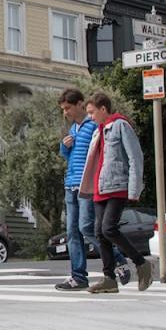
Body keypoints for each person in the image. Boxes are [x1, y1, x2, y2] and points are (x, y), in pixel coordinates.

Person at [54, 89, 131, 291]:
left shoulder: (94, 126)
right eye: (63, 109)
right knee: (72, 233)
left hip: (87, 185)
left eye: (68, 108)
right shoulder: (73, 129)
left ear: (80, 104)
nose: (66, 112)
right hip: (70, 184)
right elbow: (70, 158)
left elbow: (102, 153)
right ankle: (78, 277)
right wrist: (64, 148)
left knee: (86, 228)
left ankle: (118, 259)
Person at [80, 92, 152, 294]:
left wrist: (134, 189)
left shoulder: (121, 125)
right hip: (100, 188)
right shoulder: (98, 131)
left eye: (92, 112)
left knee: (108, 229)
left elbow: (135, 157)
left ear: (103, 109)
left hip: (117, 186)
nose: (91, 117)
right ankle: (109, 279)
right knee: (100, 233)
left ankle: (141, 263)